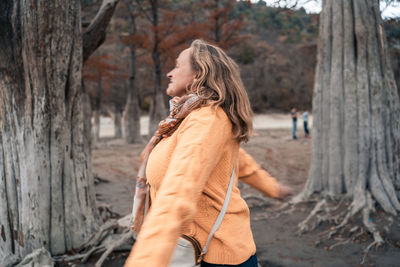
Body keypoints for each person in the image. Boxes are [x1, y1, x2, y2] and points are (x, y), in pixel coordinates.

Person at [125, 39, 291, 267]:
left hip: (218, 256)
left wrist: (145, 261)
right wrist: (273, 188)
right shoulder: (184, 120)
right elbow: (238, 162)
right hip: (194, 249)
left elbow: (179, 190)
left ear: (197, 74)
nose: (169, 73)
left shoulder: (207, 119)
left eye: (177, 66)